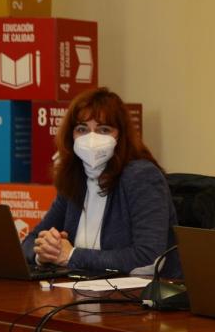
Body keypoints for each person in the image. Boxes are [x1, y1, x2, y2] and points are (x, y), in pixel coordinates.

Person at [22, 87, 181, 278]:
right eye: (82, 129)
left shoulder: (142, 176)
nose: (91, 139)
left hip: (138, 292)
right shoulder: (75, 178)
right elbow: (28, 243)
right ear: (71, 136)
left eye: (103, 130)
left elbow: (148, 258)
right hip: (80, 289)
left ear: (120, 136)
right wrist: (44, 253)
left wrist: (71, 255)